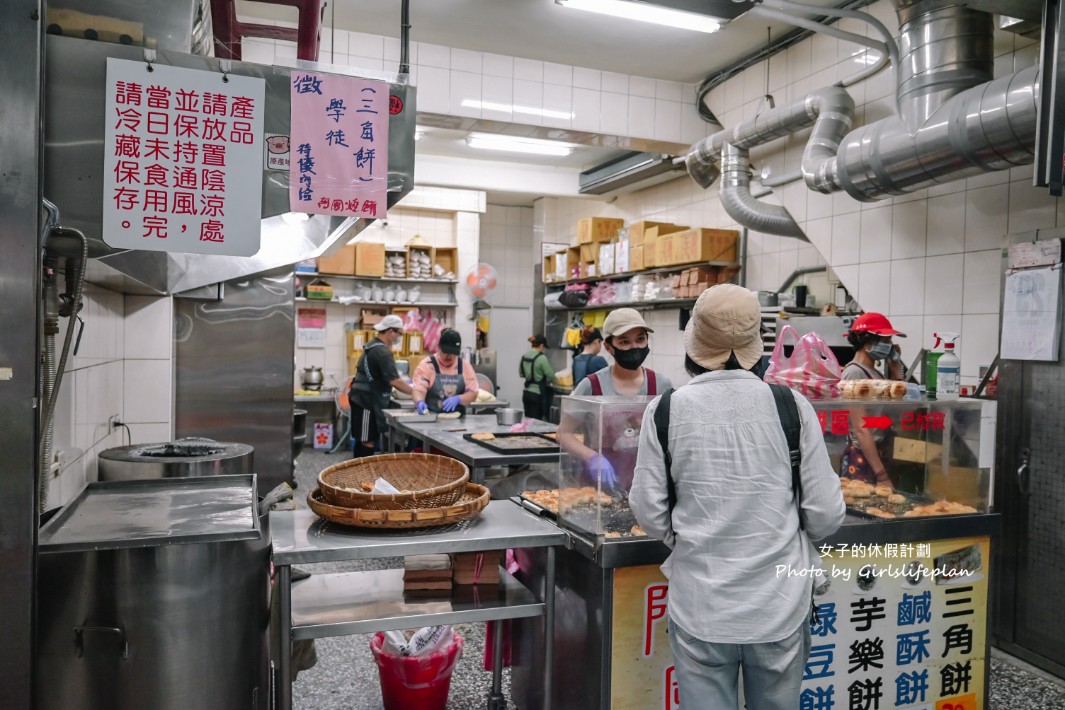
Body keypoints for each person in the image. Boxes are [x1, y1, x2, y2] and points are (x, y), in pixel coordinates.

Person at [630, 284, 845, 710]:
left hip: (700, 605)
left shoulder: (667, 409)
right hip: (780, 605)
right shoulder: (791, 406)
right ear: (754, 345)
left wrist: (689, 540)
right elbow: (825, 514)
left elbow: (649, 511)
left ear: (696, 344)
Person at [560, 308, 673, 490]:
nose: (634, 347)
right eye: (624, 342)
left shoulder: (660, 384)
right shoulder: (591, 385)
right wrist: (591, 457)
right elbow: (563, 434)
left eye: (640, 339)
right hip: (599, 485)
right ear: (608, 347)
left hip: (646, 485)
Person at [840, 312, 906, 488]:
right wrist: (882, 475)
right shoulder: (855, 374)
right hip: (863, 457)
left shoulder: (874, 373)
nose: (890, 346)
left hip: (876, 453)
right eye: (886, 341)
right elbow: (861, 430)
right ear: (867, 341)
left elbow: (894, 409)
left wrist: (894, 370)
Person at [347, 314, 414, 457]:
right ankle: (362, 477)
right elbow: (394, 381)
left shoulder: (373, 345)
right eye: (399, 334)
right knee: (367, 441)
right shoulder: (382, 352)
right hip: (366, 401)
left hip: (362, 398)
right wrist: (416, 392)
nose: (399, 338)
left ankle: (358, 474)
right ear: (390, 332)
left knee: (363, 439)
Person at [412, 328, 479, 415]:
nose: (449, 356)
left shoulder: (465, 366)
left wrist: (459, 399)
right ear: (439, 347)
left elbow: (473, 393)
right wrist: (419, 401)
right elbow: (419, 390)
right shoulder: (427, 365)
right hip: (431, 418)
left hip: (458, 422)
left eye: (453, 353)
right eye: (446, 352)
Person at [519, 334, 556, 420]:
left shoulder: (524, 356)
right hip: (537, 395)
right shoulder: (541, 358)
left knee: (528, 421)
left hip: (526, 394)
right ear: (541, 345)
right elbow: (551, 375)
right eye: (543, 347)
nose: (543, 349)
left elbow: (521, 374)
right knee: (536, 423)